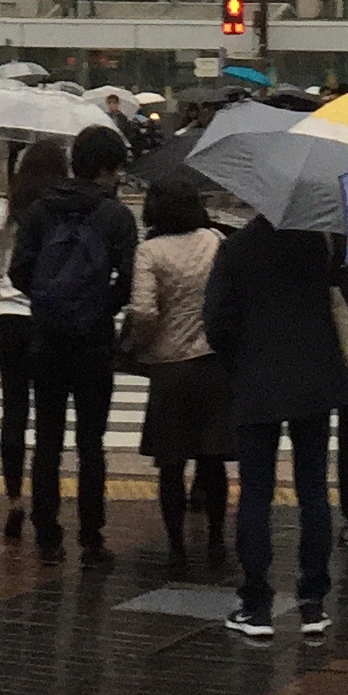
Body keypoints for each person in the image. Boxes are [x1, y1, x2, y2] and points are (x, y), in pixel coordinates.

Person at [212, 205, 348, 644]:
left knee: (256, 492)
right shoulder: (320, 243)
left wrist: (238, 362)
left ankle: (257, 604)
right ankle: (313, 603)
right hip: (314, 378)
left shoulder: (237, 247)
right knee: (312, 490)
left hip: (257, 377)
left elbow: (216, 319)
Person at [0, 128, 138, 560]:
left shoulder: (40, 210)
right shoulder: (116, 217)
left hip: (48, 338)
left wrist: (47, 300)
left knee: (48, 436)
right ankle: (92, 535)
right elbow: (129, 280)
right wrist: (99, 305)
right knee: (91, 441)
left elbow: (19, 271)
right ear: (105, 168)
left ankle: (47, 533)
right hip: (94, 340)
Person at [123, 174, 234, 578]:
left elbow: (144, 311)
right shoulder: (216, 242)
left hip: (170, 369)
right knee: (213, 457)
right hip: (213, 362)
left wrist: (144, 344)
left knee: (171, 463)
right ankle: (217, 539)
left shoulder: (149, 251)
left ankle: (176, 547)